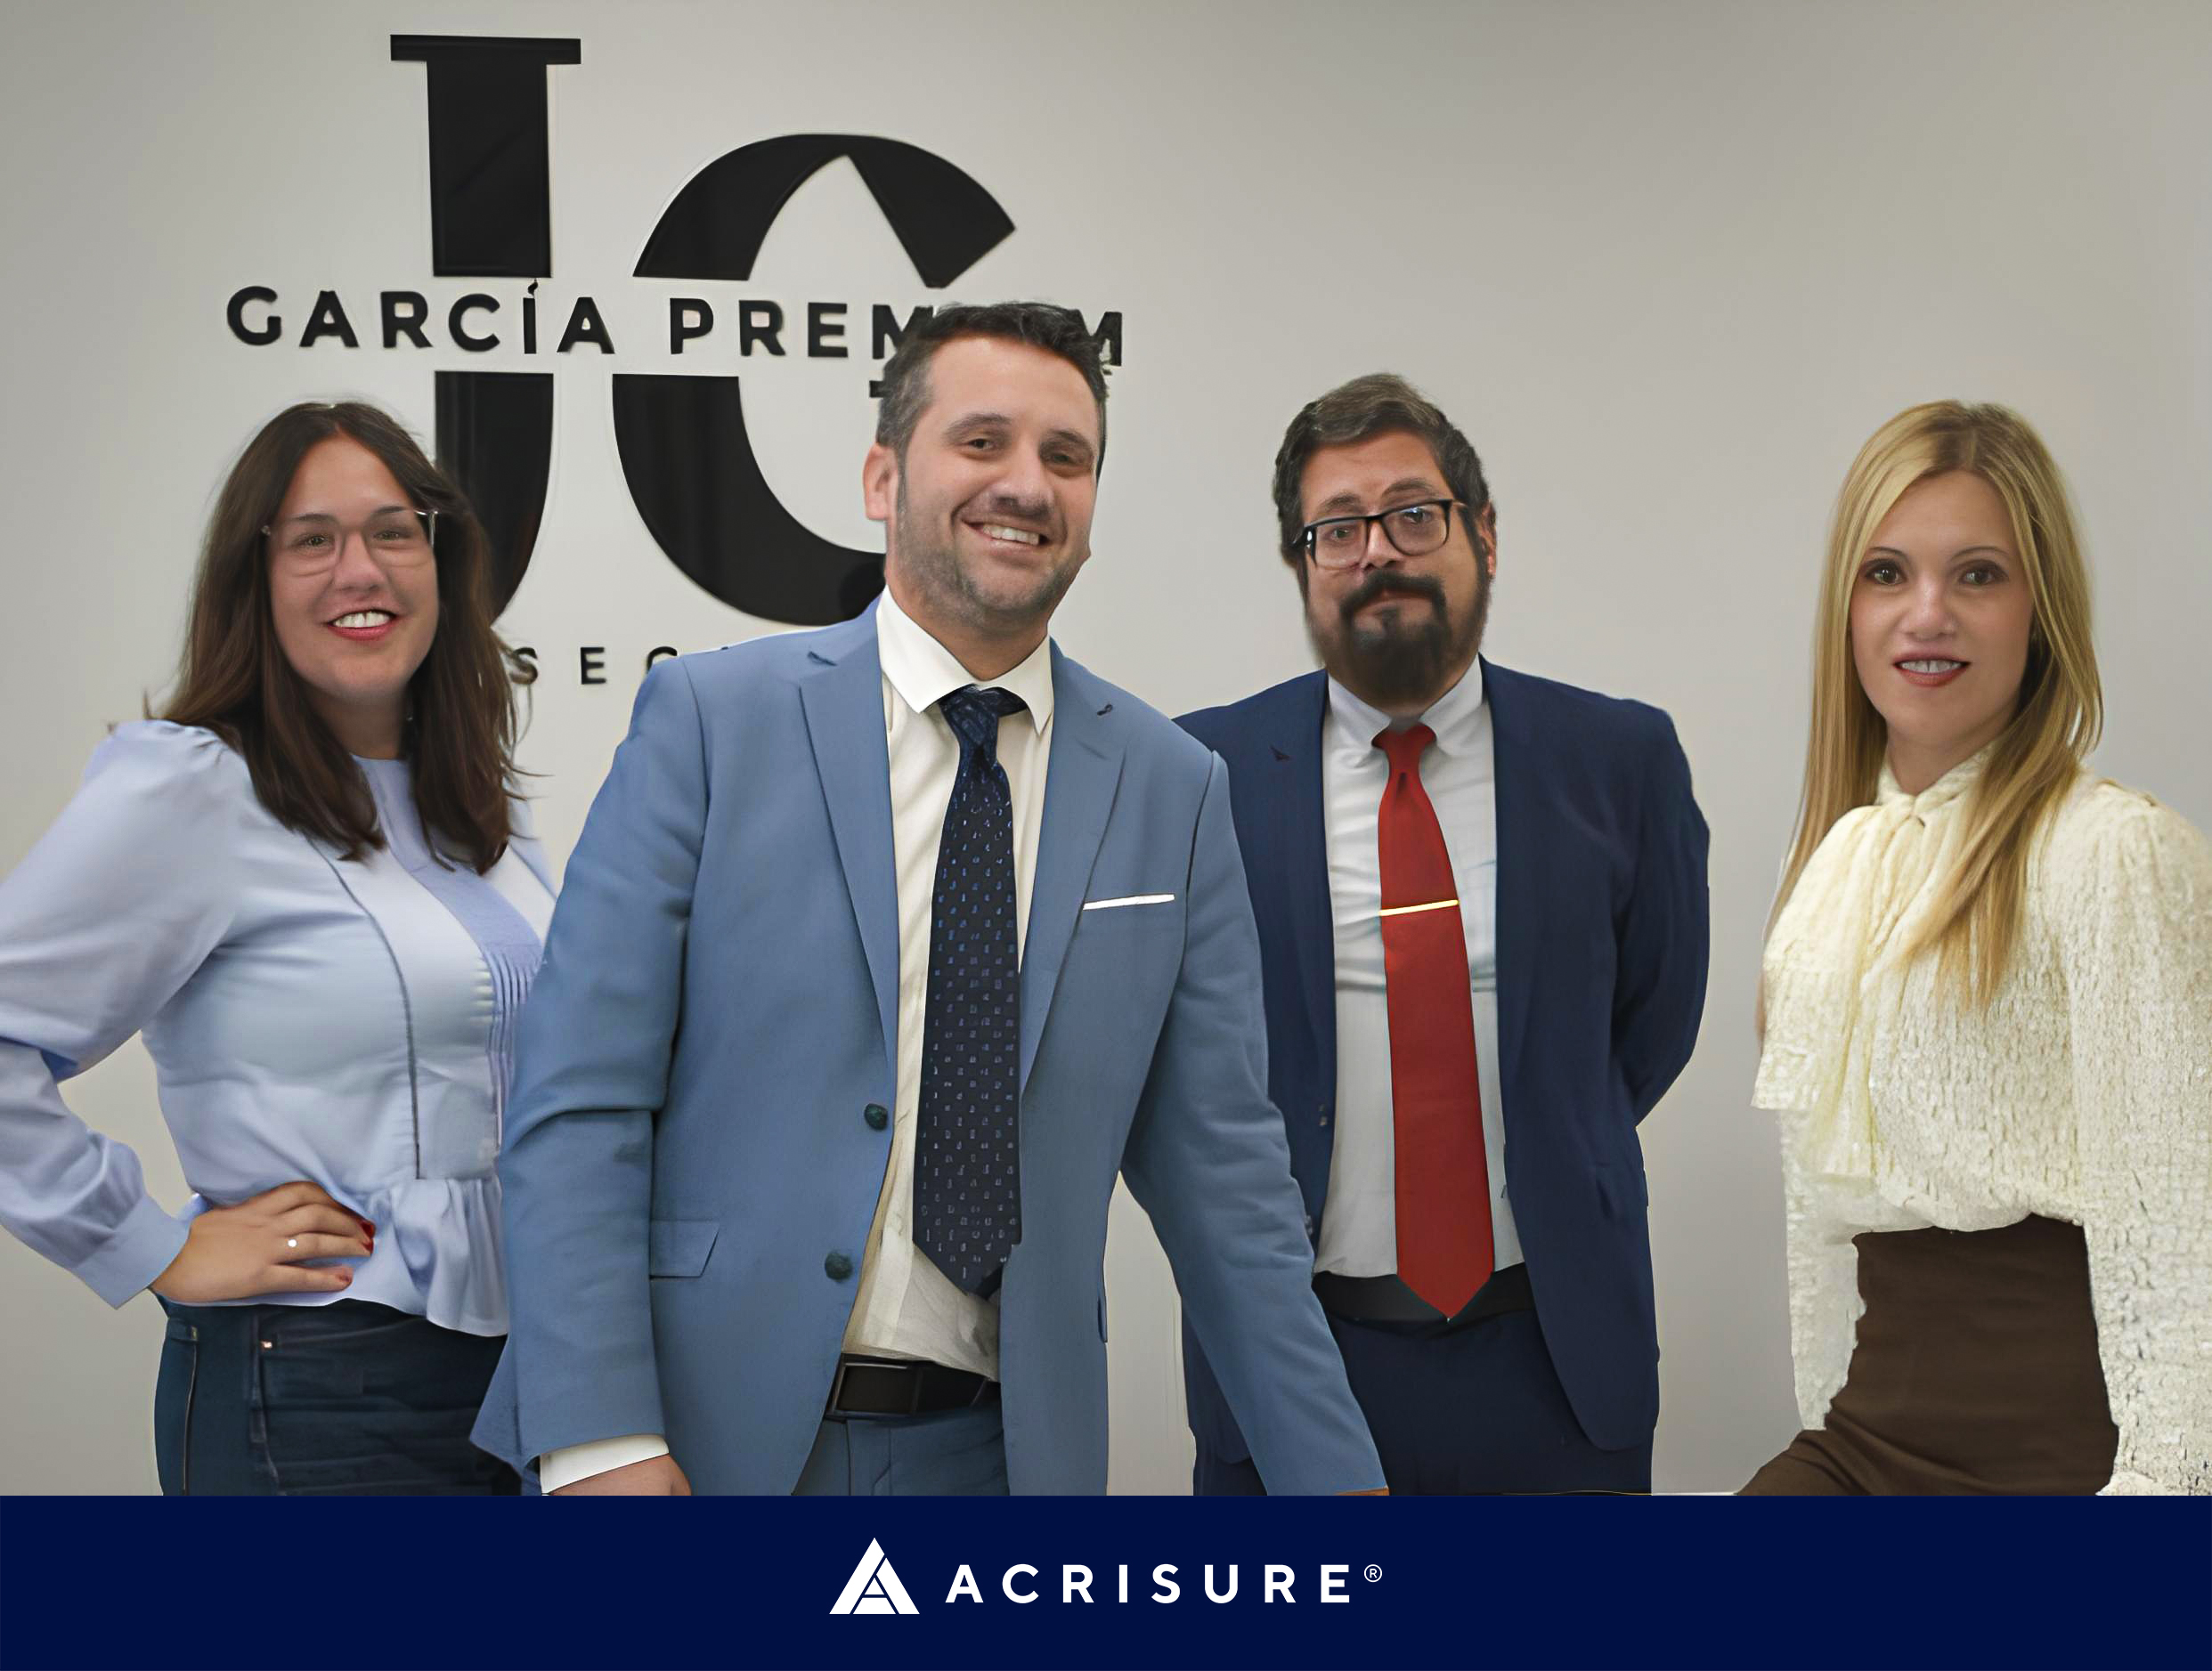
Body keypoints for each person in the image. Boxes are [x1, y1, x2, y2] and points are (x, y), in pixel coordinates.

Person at [472, 302, 1383, 1497]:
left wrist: (1342, 1488)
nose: (1028, 484)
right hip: (699, 1452)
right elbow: (580, 1098)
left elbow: (1232, 1190)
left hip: (1002, 1467)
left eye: (1067, 456)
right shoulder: (710, 724)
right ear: (882, 477)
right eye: (982, 441)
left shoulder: (1172, 788)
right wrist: (600, 1441)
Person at [0, 401, 549, 1494]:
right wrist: (149, 1244)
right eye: (313, 540)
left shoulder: (479, 806)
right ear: (253, 579)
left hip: (520, 1374)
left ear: (442, 561)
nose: (361, 570)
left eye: (393, 532)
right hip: (314, 1383)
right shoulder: (195, 787)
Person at [1176, 374, 1709, 1495]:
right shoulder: (1202, 775)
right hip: (1293, 1361)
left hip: (1556, 1362)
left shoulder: (1620, 761)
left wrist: (1559, 1129)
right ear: (1302, 565)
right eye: (1338, 528)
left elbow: (1649, 1024)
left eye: (1414, 513)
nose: (1379, 550)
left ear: (1486, 536)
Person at [1745, 400, 2212, 1496]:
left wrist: (2157, 1503)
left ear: (2041, 610)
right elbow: (1820, 1217)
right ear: (1847, 608)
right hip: (1864, 1441)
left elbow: (2182, 1226)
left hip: (2063, 1461)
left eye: (1979, 574)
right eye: (1887, 573)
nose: (1928, 614)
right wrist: (1817, 1418)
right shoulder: (1831, 869)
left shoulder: (2114, 851)